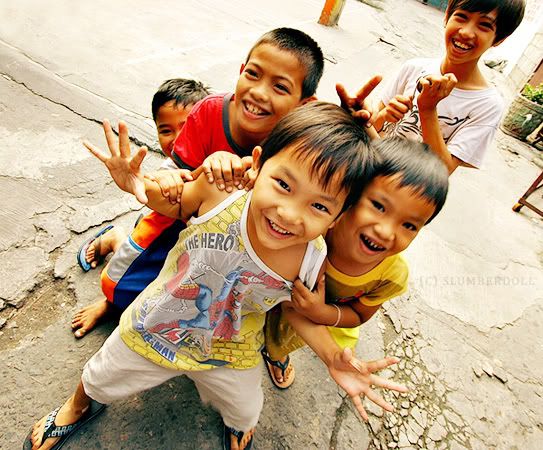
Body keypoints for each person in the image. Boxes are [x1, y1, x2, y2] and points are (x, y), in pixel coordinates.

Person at [25, 102, 407, 450]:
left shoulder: (312, 258)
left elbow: (296, 310)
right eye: (283, 185)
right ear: (257, 163)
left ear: (338, 218)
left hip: (230, 350)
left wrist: (332, 357)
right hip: (157, 324)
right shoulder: (220, 193)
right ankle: (78, 406)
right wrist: (140, 185)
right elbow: (176, 203)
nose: (290, 214)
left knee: (245, 409)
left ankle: (239, 427)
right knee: (101, 374)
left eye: (319, 206)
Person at [71, 27, 325, 338]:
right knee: (124, 288)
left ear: (304, 104)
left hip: (236, 241)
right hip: (180, 219)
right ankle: (112, 287)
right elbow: (173, 178)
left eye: (280, 87)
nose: (259, 92)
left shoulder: (298, 142)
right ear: (241, 71)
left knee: (200, 305)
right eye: (253, 74)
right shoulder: (210, 111)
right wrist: (151, 180)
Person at [262, 137, 449, 390]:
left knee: (278, 341)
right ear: (350, 195)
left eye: (409, 225)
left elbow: (359, 314)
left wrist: (322, 313)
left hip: (306, 319)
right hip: (266, 294)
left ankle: (275, 355)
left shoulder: (392, 276)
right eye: (379, 206)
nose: (386, 231)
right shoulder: (315, 228)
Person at [72, 78, 211, 337]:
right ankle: (111, 302)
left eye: (187, 127)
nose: (177, 139)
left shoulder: (219, 158)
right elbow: (156, 180)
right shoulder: (171, 169)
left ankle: (118, 240)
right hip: (160, 238)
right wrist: (156, 181)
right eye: (166, 130)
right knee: (123, 287)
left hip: (193, 246)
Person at [372, 0, 525, 173]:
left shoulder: (487, 105)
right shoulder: (413, 68)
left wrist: (428, 109)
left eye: (484, 25)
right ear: (447, 16)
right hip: (365, 170)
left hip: (402, 188)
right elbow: (370, 129)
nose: (466, 32)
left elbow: (443, 172)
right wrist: (383, 116)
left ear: (500, 39)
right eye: (461, 16)